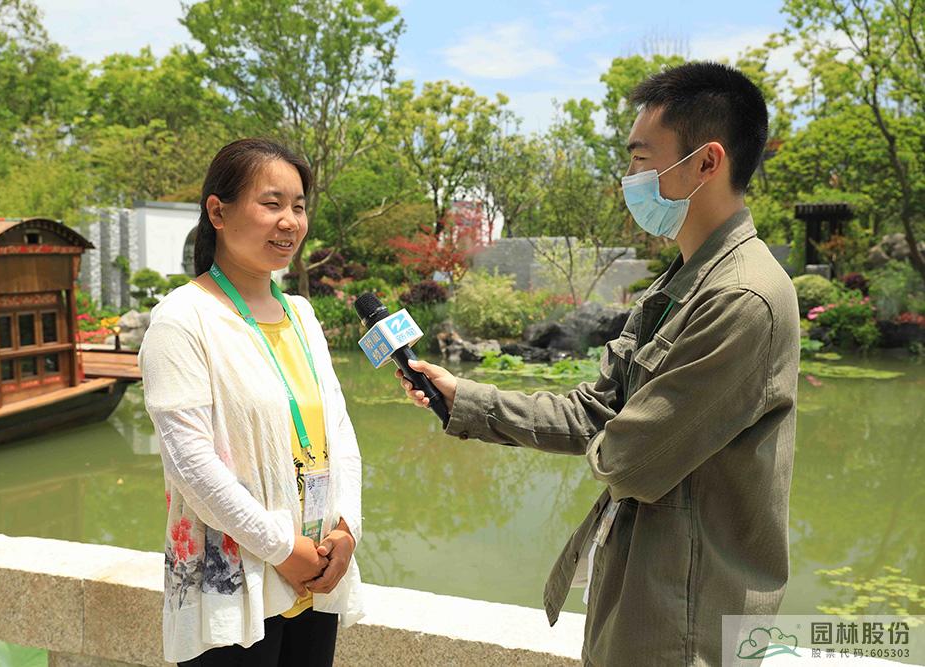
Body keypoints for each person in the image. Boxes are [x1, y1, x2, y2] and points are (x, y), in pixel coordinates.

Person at [396, 62, 800, 666]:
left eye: (641, 159)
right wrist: (466, 399)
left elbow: (629, 459)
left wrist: (611, 435)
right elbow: (598, 412)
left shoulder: (743, 297)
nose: (629, 179)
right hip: (640, 596)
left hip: (685, 625)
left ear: (706, 163)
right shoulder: (680, 284)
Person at [139, 138, 364, 666]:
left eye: (299, 207)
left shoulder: (302, 314)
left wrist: (347, 530)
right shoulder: (182, 319)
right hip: (236, 589)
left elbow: (339, 431)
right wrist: (282, 548)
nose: (290, 221)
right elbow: (192, 465)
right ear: (218, 212)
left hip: (318, 571)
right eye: (272, 203)